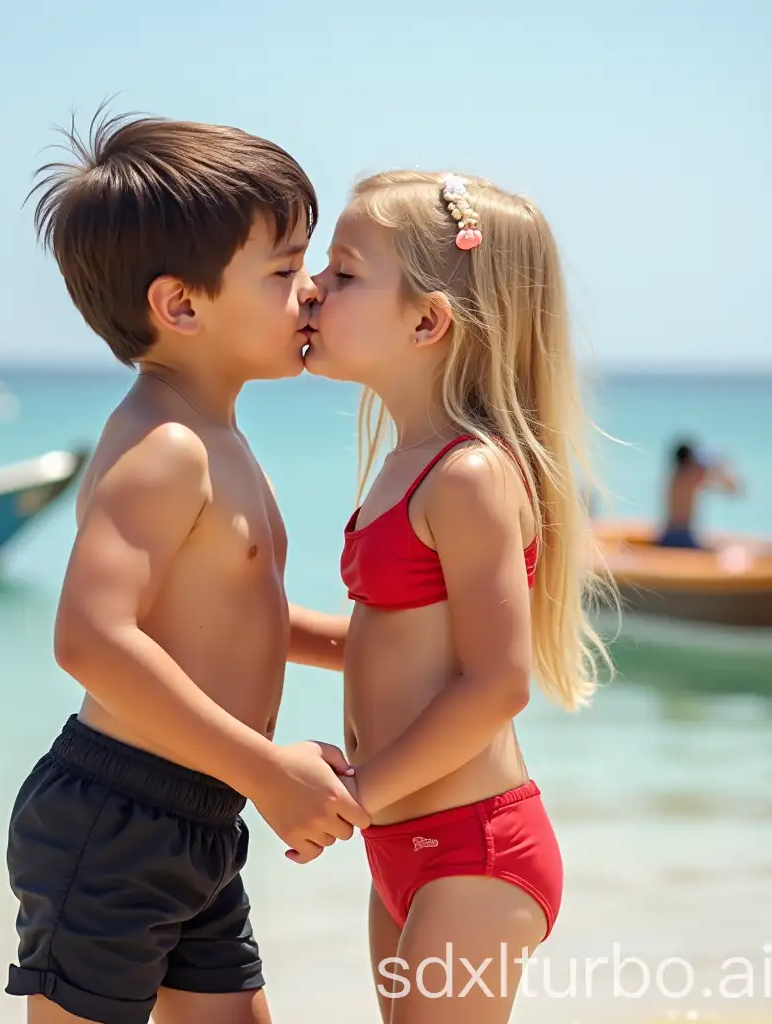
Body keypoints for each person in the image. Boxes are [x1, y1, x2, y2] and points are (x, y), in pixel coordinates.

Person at [4, 110, 369, 1024]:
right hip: (115, 818)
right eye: (285, 272)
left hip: (197, 816)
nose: (314, 292)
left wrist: (379, 648)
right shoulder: (166, 446)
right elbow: (91, 637)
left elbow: (232, 620)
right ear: (182, 305)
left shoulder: (216, 432)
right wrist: (268, 772)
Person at [302, 170, 614, 1023]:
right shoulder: (403, 465)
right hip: (401, 849)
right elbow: (394, 643)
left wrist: (354, 796)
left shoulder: (468, 474)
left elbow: (497, 682)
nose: (311, 288)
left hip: (473, 851)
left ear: (428, 320)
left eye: (344, 272)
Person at [657, 439, 741, 549]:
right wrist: (723, 464)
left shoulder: (673, 477)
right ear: (689, 459)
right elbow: (732, 488)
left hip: (666, 534)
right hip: (683, 537)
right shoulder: (692, 476)